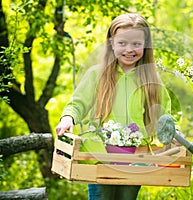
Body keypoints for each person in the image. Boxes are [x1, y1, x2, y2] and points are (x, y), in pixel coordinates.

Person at [55, 13, 171, 200]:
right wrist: (68, 117)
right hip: (100, 155)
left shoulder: (151, 80)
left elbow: (164, 116)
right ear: (111, 43)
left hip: (135, 159)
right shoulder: (97, 75)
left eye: (136, 44)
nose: (129, 49)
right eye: (122, 43)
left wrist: (173, 135)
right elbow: (77, 103)